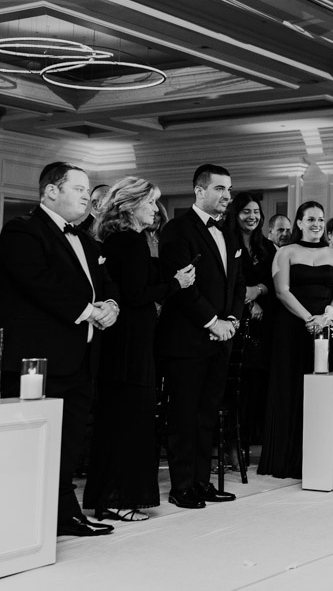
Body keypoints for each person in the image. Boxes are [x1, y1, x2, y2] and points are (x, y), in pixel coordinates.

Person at [0, 162, 121, 537]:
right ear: (51, 191)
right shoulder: (21, 230)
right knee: (31, 443)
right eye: (79, 188)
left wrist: (112, 306)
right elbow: (38, 282)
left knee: (69, 442)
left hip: (81, 358)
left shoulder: (87, 241)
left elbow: (106, 284)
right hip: (37, 361)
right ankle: (19, 519)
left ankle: (63, 513)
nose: (88, 196)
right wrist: (88, 311)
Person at [84, 177, 195, 522]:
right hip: (130, 346)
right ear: (131, 206)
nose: (155, 210)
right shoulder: (129, 242)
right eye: (149, 203)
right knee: (129, 423)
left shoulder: (120, 240)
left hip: (123, 344)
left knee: (118, 421)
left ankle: (109, 497)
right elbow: (135, 296)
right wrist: (177, 284)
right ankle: (119, 499)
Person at [155, 164, 246, 509]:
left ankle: (202, 482)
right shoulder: (177, 230)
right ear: (199, 191)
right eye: (220, 189)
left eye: (229, 190)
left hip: (223, 337)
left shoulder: (231, 233)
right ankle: (181, 487)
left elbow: (238, 282)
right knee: (183, 415)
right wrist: (212, 322)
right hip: (187, 339)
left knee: (207, 413)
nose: (227, 196)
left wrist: (232, 320)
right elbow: (181, 288)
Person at [258, 201, 333, 479]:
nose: (317, 224)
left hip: (324, 327)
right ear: (299, 223)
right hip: (291, 327)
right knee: (290, 386)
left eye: (321, 220)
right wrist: (309, 318)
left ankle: (317, 457)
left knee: (319, 390)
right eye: (310, 219)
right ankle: (285, 459)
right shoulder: (285, 252)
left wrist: (325, 317)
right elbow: (282, 291)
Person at [225, 192, 278, 449]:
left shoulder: (267, 247)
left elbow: (274, 284)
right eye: (246, 211)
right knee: (237, 386)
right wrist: (248, 298)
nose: (252, 217)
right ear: (235, 214)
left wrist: (258, 291)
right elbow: (228, 282)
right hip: (235, 323)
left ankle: (252, 441)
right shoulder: (226, 242)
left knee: (257, 385)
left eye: (256, 212)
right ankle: (233, 446)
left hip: (262, 326)